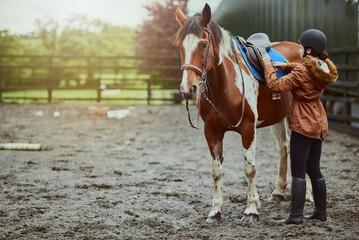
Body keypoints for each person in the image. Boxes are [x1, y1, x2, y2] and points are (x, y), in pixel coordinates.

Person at [261, 29, 338, 224]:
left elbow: (275, 86)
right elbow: (306, 69)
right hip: (318, 123)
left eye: (301, 47)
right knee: (314, 170)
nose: (300, 50)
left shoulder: (301, 72)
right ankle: (321, 213)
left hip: (303, 124)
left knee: (298, 172)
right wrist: (287, 65)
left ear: (309, 50)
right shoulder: (324, 68)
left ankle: (296, 215)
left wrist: (268, 65)